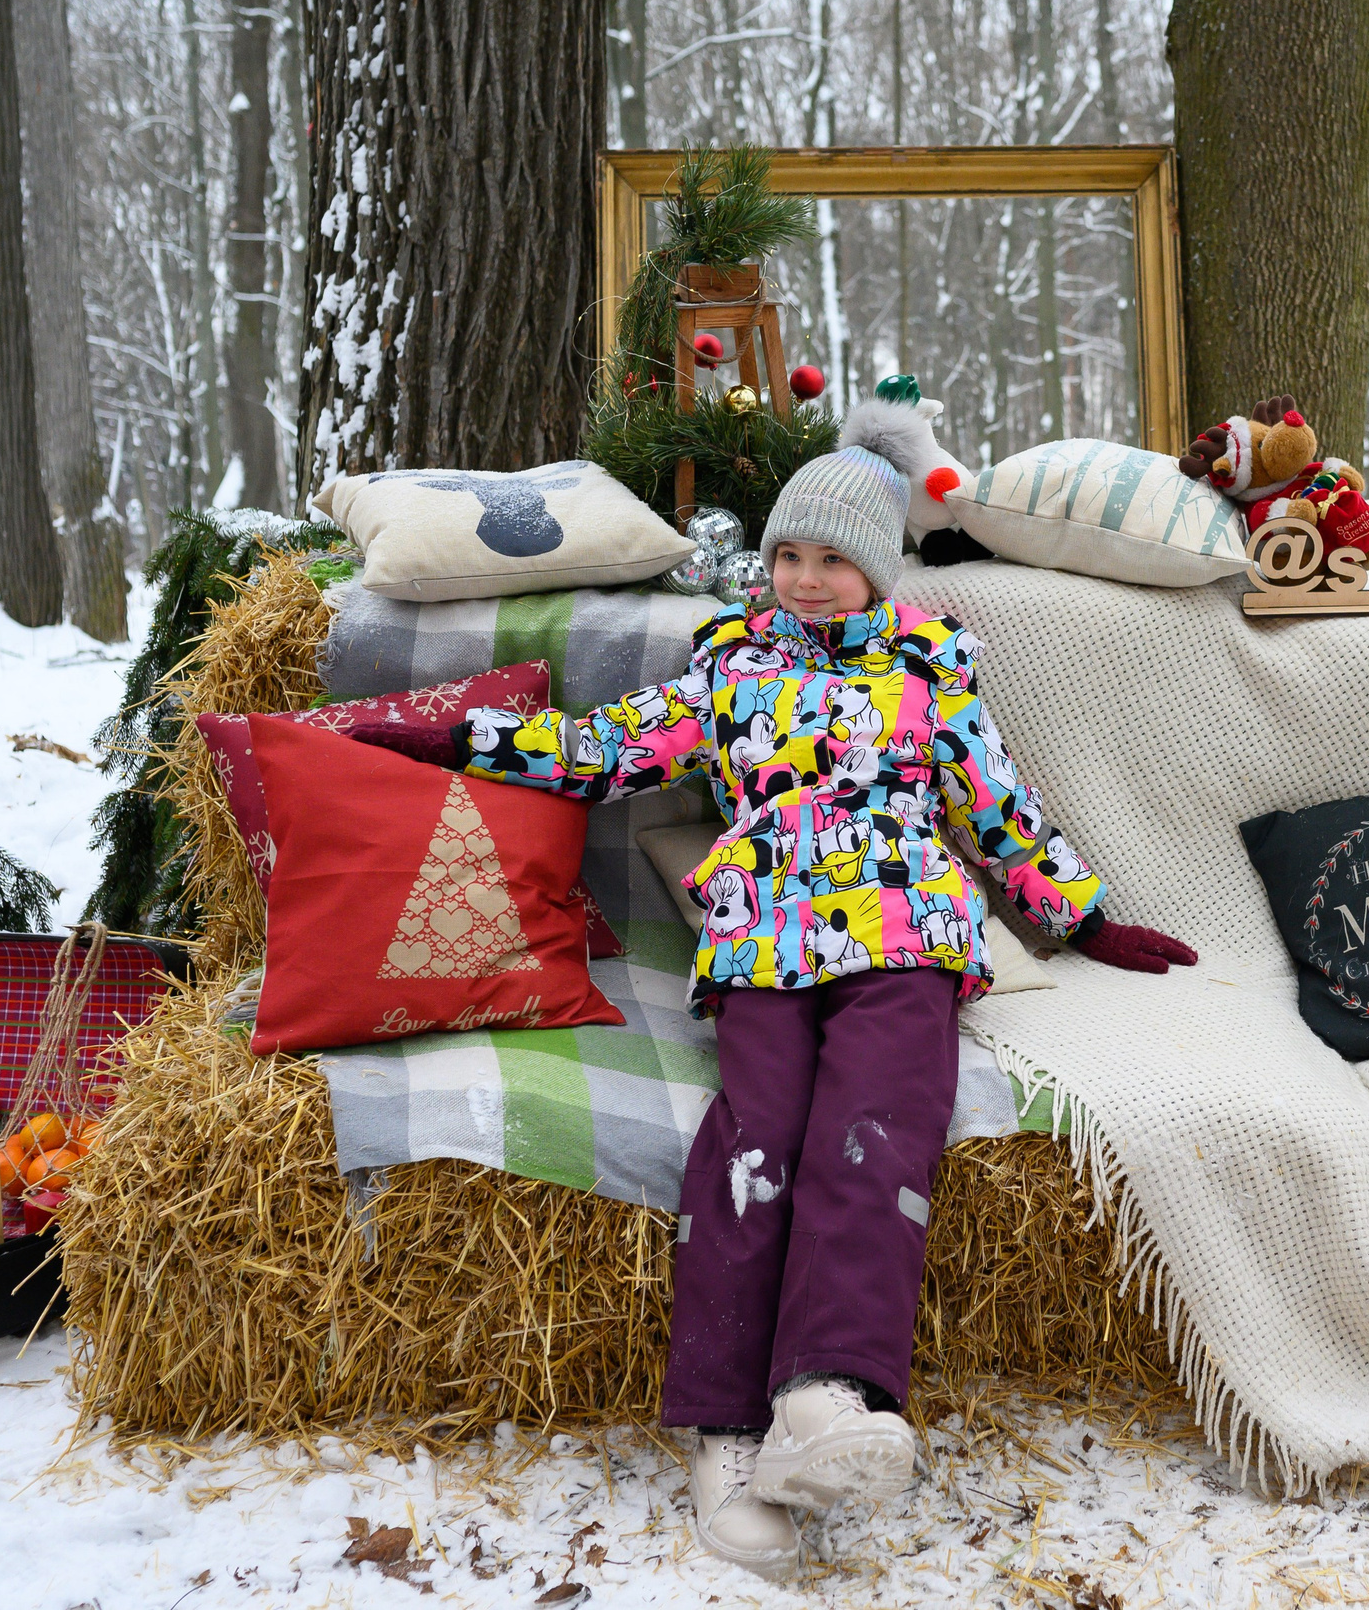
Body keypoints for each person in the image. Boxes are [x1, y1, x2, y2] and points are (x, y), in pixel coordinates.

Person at [353, 391, 1195, 1578]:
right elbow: (604, 748)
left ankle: (826, 1393)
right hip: (764, 934)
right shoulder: (730, 670)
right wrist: (460, 736)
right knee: (757, 1138)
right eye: (788, 555)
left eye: (832, 560)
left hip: (903, 929)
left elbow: (1000, 807)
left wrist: (1084, 915)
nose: (805, 579)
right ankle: (728, 1427)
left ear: (877, 568)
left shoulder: (933, 670)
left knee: (876, 1127)